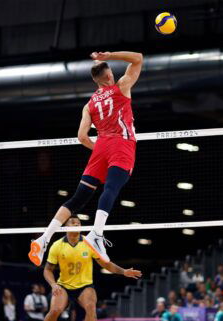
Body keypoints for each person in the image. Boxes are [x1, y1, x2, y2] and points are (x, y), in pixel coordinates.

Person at [29, 50, 144, 266]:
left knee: (78, 198)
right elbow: (138, 57)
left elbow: (82, 137)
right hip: (121, 143)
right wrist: (109, 55)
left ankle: (44, 239)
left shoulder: (89, 104)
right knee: (111, 188)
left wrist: (100, 150)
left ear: (95, 81)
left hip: (100, 147)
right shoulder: (122, 86)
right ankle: (96, 235)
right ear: (109, 76)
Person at [43, 215, 142, 321]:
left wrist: (124, 271)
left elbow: (106, 264)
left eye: (79, 223)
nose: (77, 224)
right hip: (64, 286)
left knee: (91, 309)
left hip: (85, 286)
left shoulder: (89, 243)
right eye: (73, 222)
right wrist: (53, 284)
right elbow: (47, 270)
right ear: (66, 227)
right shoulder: (57, 245)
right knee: (54, 311)